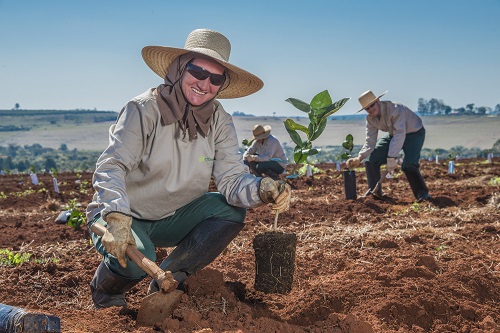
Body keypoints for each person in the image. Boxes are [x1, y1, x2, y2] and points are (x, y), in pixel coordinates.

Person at [86, 28, 292, 309]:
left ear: (222, 84)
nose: (204, 83)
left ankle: (169, 280)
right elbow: (113, 165)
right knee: (133, 262)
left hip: (171, 216)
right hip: (123, 215)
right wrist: (116, 217)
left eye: (215, 78)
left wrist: (262, 188)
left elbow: (231, 180)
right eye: (197, 71)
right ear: (180, 69)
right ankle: (105, 290)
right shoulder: (143, 109)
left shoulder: (220, 121)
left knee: (229, 209)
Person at [346, 90, 431, 202]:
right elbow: (370, 141)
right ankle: (374, 191)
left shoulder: (395, 109)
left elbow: (400, 134)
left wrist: (391, 158)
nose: (371, 109)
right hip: (394, 133)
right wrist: (359, 157)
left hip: (414, 133)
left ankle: (422, 194)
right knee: (372, 158)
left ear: (378, 101)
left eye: (372, 105)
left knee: (409, 164)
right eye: (367, 108)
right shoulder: (370, 119)